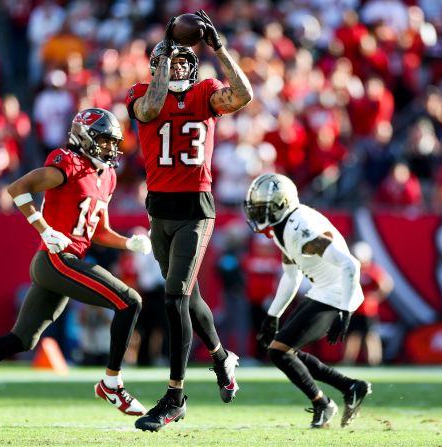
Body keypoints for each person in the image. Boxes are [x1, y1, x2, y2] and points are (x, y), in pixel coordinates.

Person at [0, 108, 152, 426]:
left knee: (23, 338)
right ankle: (112, 383)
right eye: (104, 141)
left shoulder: (108, 176)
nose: (110, 149)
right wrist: (43, 228)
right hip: (56, 260)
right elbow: (17, 188)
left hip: (64, 261)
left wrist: (128, 242)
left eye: (112, 142)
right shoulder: (68, 163)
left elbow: (98, 231)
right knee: (130, 301)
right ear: (85, 137)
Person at [126, 10, 253, 432]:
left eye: (184, 60)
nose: (178, 65)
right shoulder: (142, 92)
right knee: (187, 298)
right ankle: (222, 358)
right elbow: (152, 108)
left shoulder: (205, 93)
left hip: (196, 208)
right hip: (159, 210)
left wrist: (218, 47)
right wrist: (164, 51)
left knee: (175, 297)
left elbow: (244, 94)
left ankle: (175, 397)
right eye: (170, 59)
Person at [246, 173, 372, 429]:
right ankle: (350, 387)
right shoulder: (284, 227)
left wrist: (345, 312)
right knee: (284, 350)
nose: (257, 214)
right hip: (323, 290)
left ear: (281, 205)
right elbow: (291, 276)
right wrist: (273, 315)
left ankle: (324, 403)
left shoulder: (298, 229)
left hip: (337, 293)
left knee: (278, 352)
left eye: (262, 208)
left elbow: (351, 265)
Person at [343, 241, 394, 366]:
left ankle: (374, 361)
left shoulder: (372, 270)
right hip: (353, 309)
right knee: (352, 336)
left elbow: (386, 285)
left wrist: (375, 297)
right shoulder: (352, 270)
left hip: (367, 310)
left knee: (370, 336)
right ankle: (348, 361)